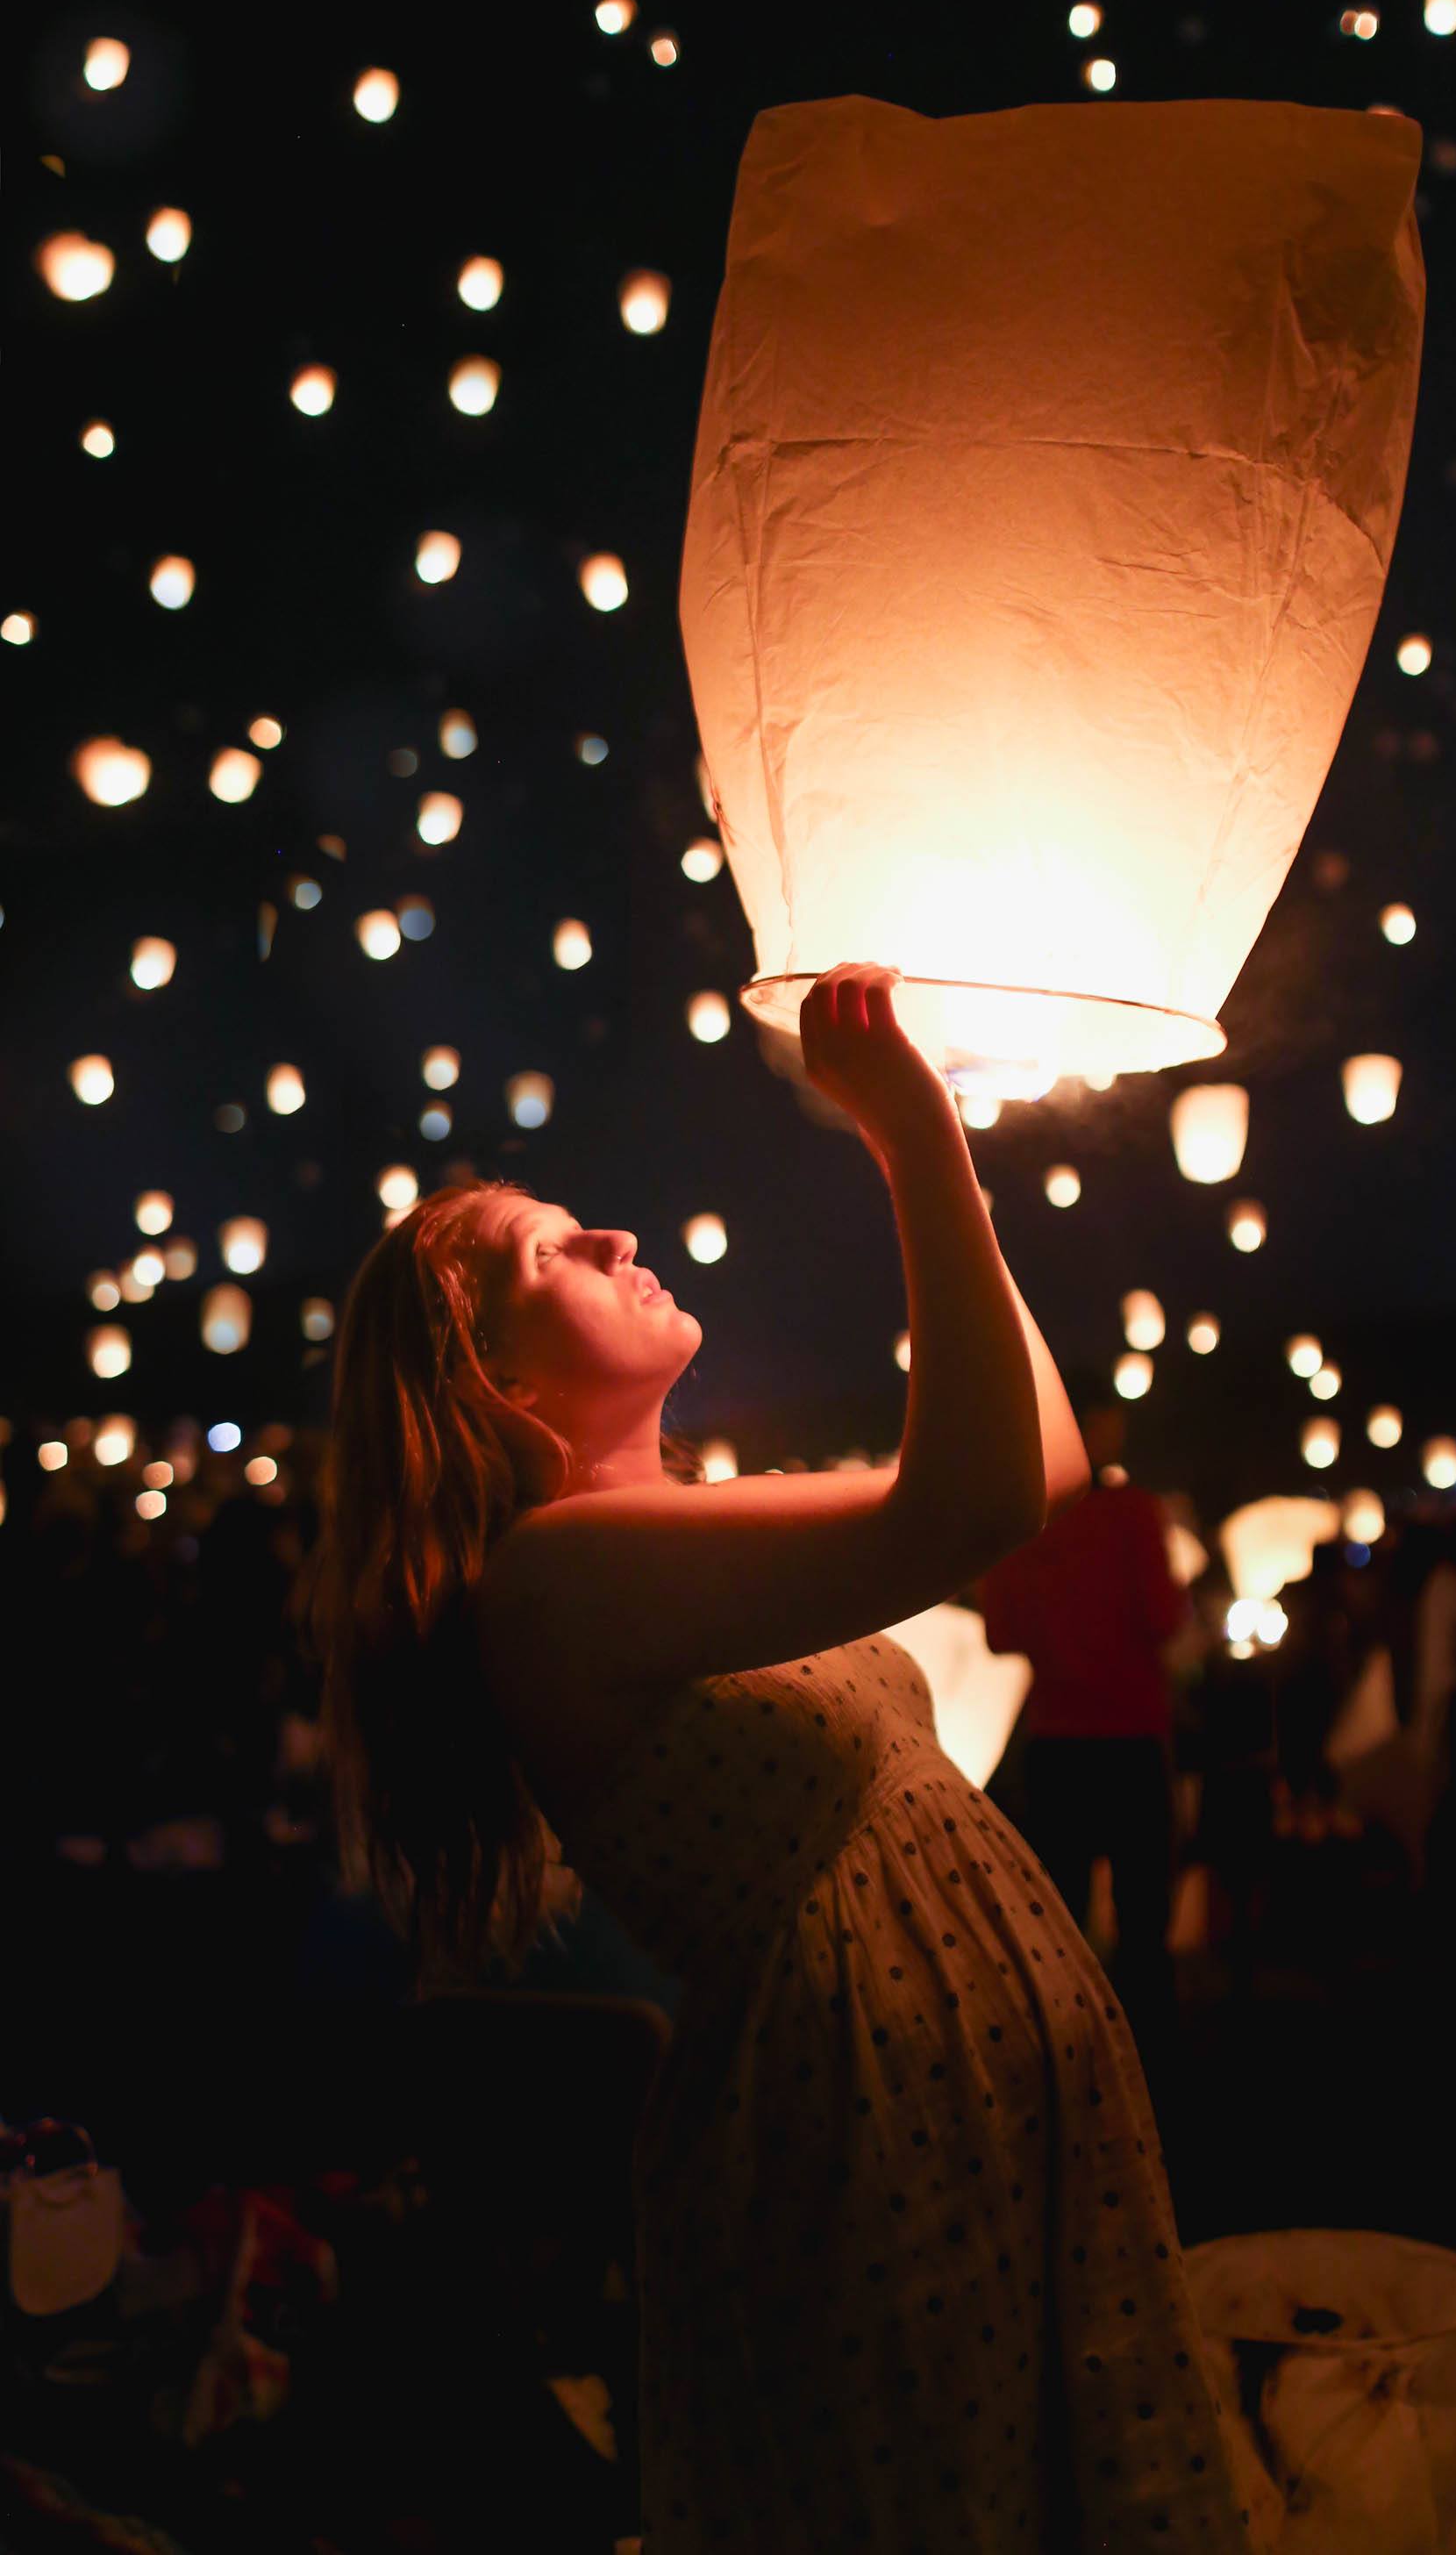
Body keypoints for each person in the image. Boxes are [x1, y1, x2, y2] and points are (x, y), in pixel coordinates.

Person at [304, 963, 1250, 2553]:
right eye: (551, 1251)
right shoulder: (551, 1576)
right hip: (858, 2131)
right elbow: (970, 1502)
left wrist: (936, 1159)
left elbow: (1039, 1466)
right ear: (496, 1382)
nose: (615, 1238)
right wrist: (912, 1135)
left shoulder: (684, 1530)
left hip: (952, 2095)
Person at [973, 1380, 1188, 2074]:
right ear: (1095, 1426)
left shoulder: (1021, 1521)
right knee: (1143, 1926)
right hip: (1131, 1736)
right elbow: (1163, 1618)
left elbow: (1001, 1635)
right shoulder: (1133, 1514)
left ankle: (1067, 2065)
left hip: (1056, 1744)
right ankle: (1150, 2071)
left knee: (1060, 1926)